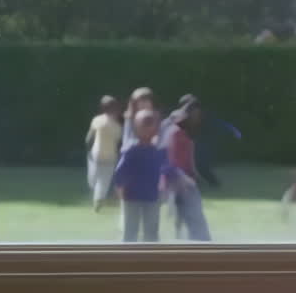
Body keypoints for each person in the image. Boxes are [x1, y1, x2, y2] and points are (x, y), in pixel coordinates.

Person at [110, 109, 186, 242]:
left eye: (150, 124)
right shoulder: (136, 151)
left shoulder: (152, 151)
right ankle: (136, 256)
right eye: (146, 124)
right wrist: (120, 190)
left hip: (145, 197)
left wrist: (177, 182)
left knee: (142, 231)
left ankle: (141, 258)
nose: (148, 129)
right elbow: (120, 174)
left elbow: (168, 169)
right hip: (139, 197)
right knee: (139, 231)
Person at [165, 101, 213, 241]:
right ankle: (201, 245)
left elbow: (187, 159)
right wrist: (185, 178)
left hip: (180, 180)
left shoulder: (180, 134)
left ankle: (183, 242)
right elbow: (172, 160)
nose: (197, 117)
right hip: (181, 182)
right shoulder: (176, 134)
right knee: (194, 218)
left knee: (183, 216)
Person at [85, 95, 123, 212]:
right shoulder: (117, 126)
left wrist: (88, 150)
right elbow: (119, 143)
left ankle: (95, 193)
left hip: (96, 154)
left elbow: (89, 139)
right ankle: (99, 198)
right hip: (111, 156)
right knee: (104, 180)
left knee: (93, 178)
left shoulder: (97, 120)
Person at [121, 87, 156, 151]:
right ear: (135, 103)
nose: (146, 104)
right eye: (142, 101)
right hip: (135, 152)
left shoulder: (155, 117)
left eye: (148, 101)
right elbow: (127, 141)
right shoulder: (130, 118)